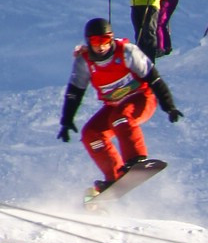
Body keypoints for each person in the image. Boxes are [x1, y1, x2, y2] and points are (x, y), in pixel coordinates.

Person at [57, 18, 183, 193]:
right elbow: (75, 92)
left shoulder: (127, 52)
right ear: (88, 41)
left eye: (105, 40)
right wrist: (66, 120)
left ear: (111, 39)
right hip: (114, 105)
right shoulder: (84, 62)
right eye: (95, 41)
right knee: (91, 134)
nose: (101, 46)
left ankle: (135, 159)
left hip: (141, 99)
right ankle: (114, 175)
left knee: (121, 117)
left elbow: (154, 78)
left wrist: (169, 106)